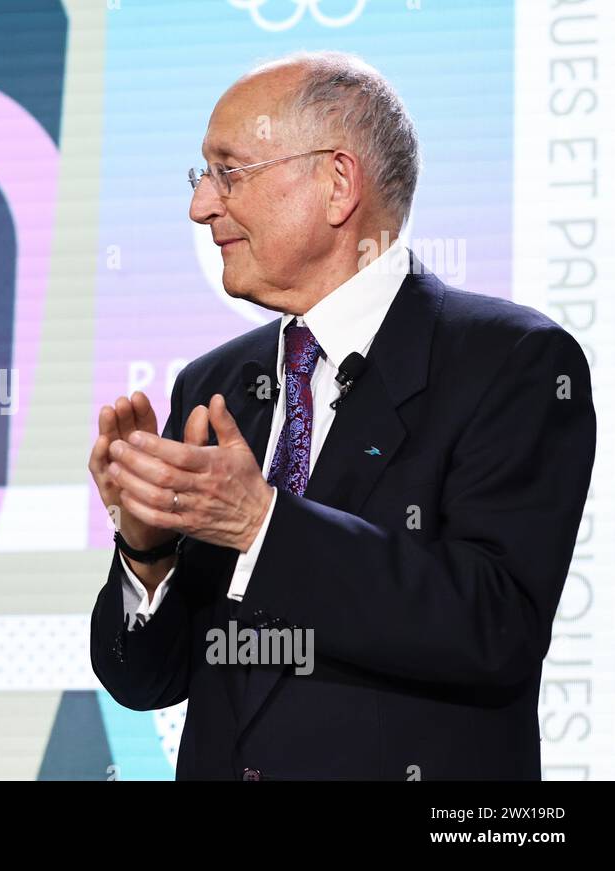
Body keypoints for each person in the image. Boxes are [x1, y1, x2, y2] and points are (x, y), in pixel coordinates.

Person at [88, 51, 596, 780]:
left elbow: (496, 626)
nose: (200, 205)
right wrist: (146, 549)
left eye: (229, 172)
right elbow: (146, 681)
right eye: (202, 177)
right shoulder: (216, 383)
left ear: (336, 184)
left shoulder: (512, 361)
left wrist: (263, 526)